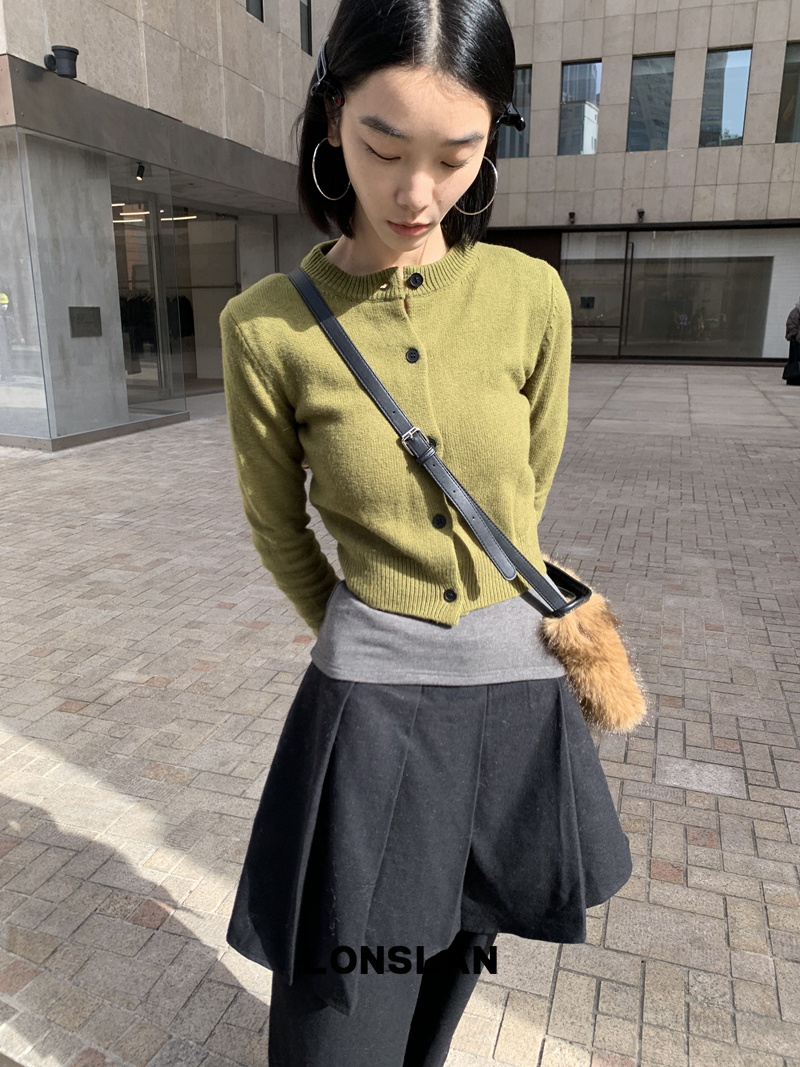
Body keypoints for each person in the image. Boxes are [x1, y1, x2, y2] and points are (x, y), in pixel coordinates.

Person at [219, 2, 633, 1064]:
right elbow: (276, 523)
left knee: (453, 952)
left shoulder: (530, 295)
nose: (416, 192)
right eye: (382, 146)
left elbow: (525, 488)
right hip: (370, 706)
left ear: (491, 139)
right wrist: (367, 625)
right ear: (331, 120)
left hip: (514, 693)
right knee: (341, 994)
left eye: (455, 156)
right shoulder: (265, 324)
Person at [784, 294, 800, 385]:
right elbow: (791, 325)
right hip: (797, 342)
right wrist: (795, 335)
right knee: (796, 360)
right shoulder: (796, 312)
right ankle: (794, 378)